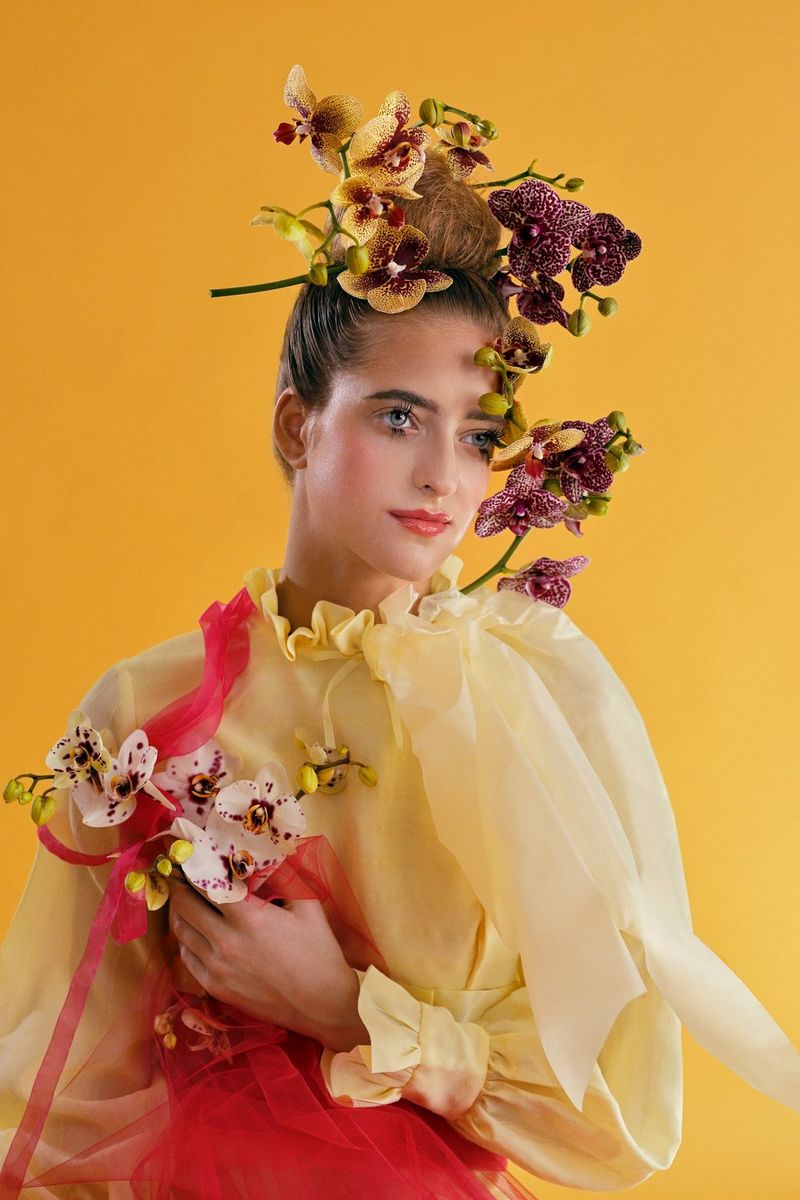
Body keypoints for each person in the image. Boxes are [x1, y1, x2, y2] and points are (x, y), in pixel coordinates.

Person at [2, 119, 799, 1200]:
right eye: (396, 416)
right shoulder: (148, 706)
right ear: (298, 425)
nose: (442, 478)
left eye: (477, 434)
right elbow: (59, 1085)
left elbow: (607, 1121)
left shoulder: (519, 708)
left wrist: (341, 1011)